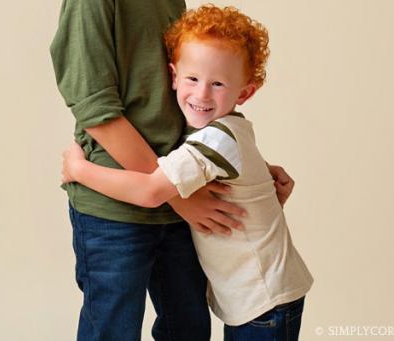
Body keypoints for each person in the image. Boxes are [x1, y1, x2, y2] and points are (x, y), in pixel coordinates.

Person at [62, 5, 312, 340]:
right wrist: (185, 196)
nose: (202, 91)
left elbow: (193, 120)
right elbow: (94, 103)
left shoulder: (221, 136)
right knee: (113, 328)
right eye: (192, 80)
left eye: (217, 84)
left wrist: (76, 168)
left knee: (188, 329)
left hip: (184, 194)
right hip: (127, 201)